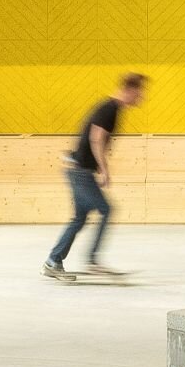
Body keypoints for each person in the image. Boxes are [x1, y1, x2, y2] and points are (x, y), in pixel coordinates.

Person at [45, 72, 147, 281]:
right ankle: (91, 261)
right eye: (139, 93)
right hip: (80, 171)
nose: (141, 98)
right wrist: (104, 168)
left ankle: (53, 261)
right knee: (106, 209)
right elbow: (96, 138)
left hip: (78, 169)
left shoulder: (111, 108)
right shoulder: (109, 108)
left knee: (79, 218)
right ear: (130, 90)